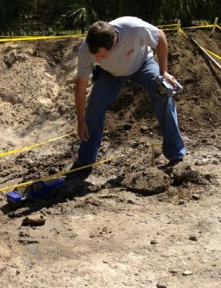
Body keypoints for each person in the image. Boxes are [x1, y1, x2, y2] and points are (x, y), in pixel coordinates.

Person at [70, 16, 186, 176]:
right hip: (110, 73)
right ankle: (84, 164)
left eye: (101, 56)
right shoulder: (86, 50)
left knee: (164, 95)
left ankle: (176, 154)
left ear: (114, 43)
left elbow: (160, 36)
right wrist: (80, 121)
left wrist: (163, 72)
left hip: (142, 64)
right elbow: (81, 86)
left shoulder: (133, 29)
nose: (96, 59)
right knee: (94, 110)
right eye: (95, 56)